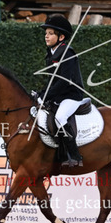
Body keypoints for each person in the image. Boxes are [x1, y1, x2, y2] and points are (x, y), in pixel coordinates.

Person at [34, 14, 85, 167]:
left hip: (71, 95)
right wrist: (41, 94)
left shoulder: (67, 53)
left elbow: (63, 81)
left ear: (61, 37)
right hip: (60, 95)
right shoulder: (51, 54)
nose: (46, 36)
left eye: (50, 33)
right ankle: (58, 154)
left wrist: (46, 96)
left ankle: (75, 156)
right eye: (46, 33)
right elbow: (52, 81)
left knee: (60, 117)